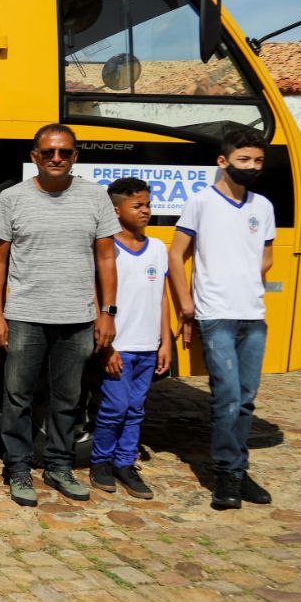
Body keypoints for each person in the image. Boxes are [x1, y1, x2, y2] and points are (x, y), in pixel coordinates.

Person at [0, 124, 119, 506]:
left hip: (78, 316)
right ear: (35, 157)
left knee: (69, 398)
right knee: (17, 397)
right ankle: (18, 467)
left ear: (75, 155)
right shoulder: (11, 199)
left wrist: (107, 312)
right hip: (25, 315)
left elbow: (107, 257)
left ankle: (60, 465)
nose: (57, 158)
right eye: (48, 152)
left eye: (64, 152)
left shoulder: (96, 198)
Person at [169, 129, 276, 510]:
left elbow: (267, 256)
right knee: (227, 398)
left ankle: (239, 469)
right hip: (215, 316)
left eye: (258, 161)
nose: (251, 167)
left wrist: (244, 278)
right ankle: (227, 475)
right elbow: (176, 255)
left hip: (254, 315)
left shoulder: (262, 206)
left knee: (246, 400)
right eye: (244, 160)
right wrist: (186, 305)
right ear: (223, 162)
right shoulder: (201, 202)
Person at [91, 177, 171, 500]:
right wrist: (106, 347)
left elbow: (162, 298)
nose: (145, 211)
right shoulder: (107, 249)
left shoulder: (157, 248)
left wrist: (165, 342)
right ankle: (101, 462)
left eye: (148, 205)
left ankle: (125, 463)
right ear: (116, 209)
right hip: (118, 347)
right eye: (137, 205)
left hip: (148, 347)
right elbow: (97, 297)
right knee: (115, 406)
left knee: (136, 408)